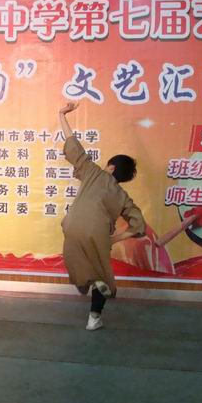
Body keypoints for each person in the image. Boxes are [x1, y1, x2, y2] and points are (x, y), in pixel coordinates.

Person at [59, 101, 146, 331]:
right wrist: (115, 238)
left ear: (110, 167)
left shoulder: (93, 172)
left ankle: (86, 281)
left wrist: (62, 115)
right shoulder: (122, 196)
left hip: (72, 226)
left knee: (79, 266)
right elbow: (139, 224)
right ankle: (94, 318)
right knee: (103, 276)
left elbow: (73, 145)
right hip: (98, 234)